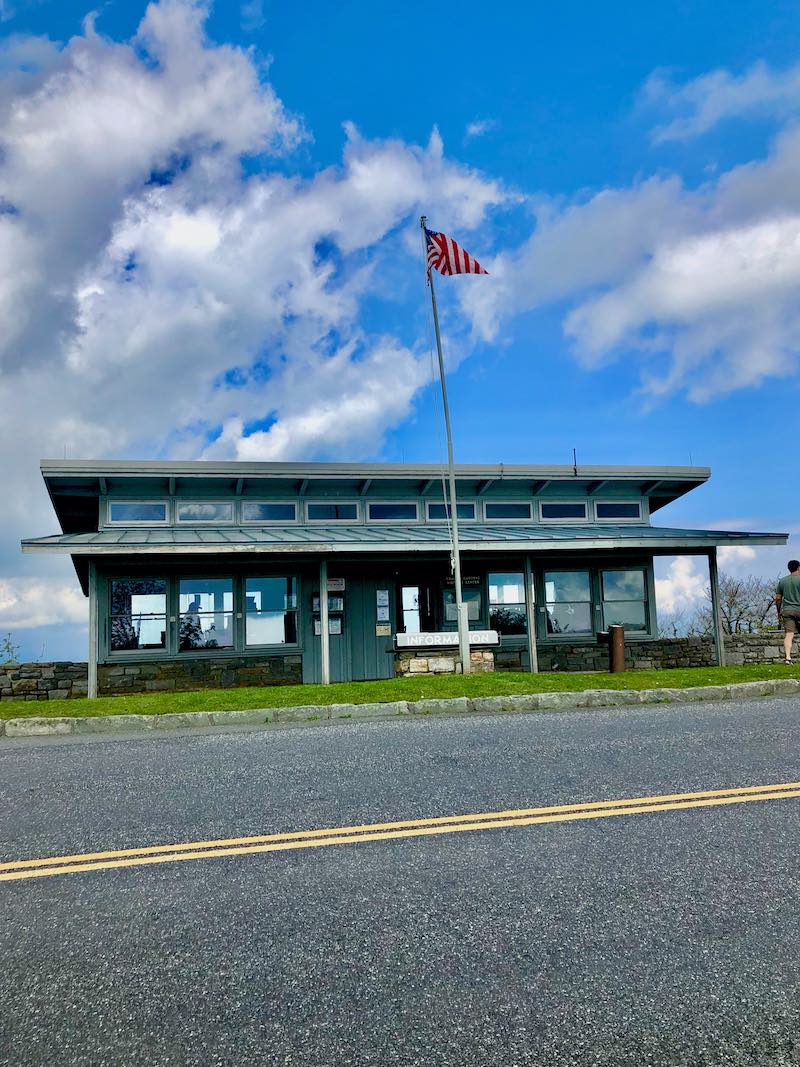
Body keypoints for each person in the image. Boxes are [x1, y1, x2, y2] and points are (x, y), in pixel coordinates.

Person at [775, 560, 800, 664]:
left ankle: (788, 658)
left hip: (787, 611)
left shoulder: (782, 581)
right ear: (798, 568)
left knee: (789, 635)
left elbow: (778, 599)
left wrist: (778, 611)